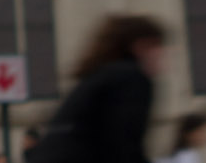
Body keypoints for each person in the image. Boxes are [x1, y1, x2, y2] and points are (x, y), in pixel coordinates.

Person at [25, 15, 167, 163]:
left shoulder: (99, 76)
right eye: (158, 46)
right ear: (140, 46)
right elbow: (124, 142)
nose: (163, 54)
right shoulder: (131, 77)